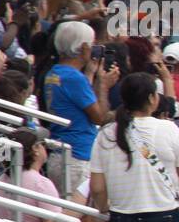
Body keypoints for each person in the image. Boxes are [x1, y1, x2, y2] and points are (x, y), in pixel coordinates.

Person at [90, 72, 179, 222]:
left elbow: (97, 188)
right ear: (152, 98)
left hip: (122, 221)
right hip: (162, 220)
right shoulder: (167, 129)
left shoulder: (106, 134)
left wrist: (104, 207)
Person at [40, 21, 119, 192]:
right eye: (92, 45)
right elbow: (99, 117)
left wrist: (90, 73)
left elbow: (78, 101)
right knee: (78, 216)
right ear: (84, 47)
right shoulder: (74, 78)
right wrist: (104, 86)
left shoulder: (54, 73)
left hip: (61, 153)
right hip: (77, 156)